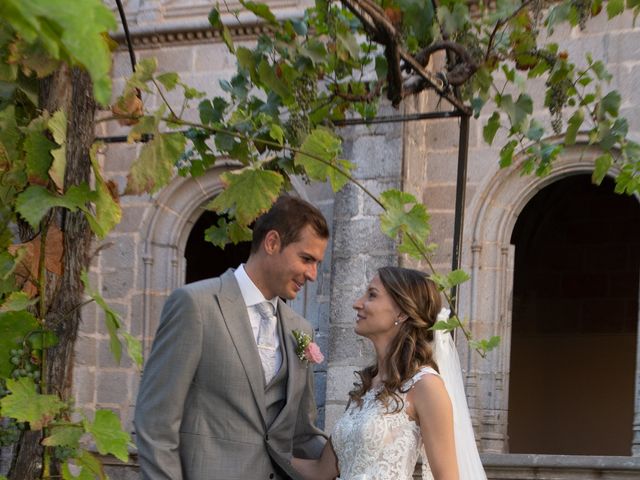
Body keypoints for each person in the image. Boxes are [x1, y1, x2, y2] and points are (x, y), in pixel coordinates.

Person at [134, 196, 329, 480]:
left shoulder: (300, 330)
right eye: (307, 259)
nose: (312, 274)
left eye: (317, 263)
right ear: (272, 243)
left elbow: (302, 435)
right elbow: (156, 423)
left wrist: (359, 446)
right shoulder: (196, 305)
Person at [292, 267, 487, 480]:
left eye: (372, 295)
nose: (357, 303)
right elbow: (320, 471)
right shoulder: (366, 389)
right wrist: (257, 449)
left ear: (402, 313)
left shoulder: (426, 386)